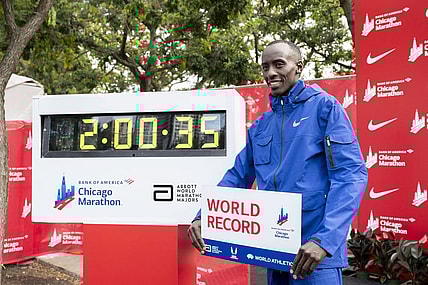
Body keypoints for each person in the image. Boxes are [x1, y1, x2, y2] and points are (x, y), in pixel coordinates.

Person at [188, 40, 368, 284]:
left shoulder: (325, 108)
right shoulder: (261, 126)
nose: (270, 73)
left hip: (315, 255)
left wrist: (324, 241)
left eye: (279, 64)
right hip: (273, 252)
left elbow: (350, 176)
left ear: (299, 67)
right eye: (265, 67)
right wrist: (204, 216)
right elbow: (238, 176)